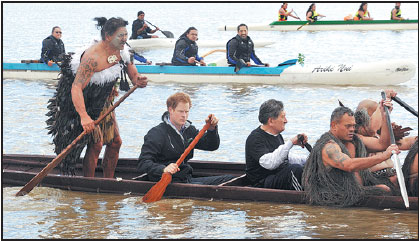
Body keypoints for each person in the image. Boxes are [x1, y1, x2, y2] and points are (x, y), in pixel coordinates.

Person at [46, 17, 148, 178]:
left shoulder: (123, 50)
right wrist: (84, 116)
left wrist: (139, 80)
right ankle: (90, 184)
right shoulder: (92, 58)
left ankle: (108, 182)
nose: (125, 39)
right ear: (108, 36)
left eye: (125, 34)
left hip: (104, 101)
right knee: (96, 144)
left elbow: (133, 75)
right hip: (83, 103)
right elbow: (76, 87)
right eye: (120, 35)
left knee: (116, 142)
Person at [302, 106, 399, 207]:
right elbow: (349, 165)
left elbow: (382, 144)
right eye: (348, 126)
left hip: (357, 190)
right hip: (336, 194)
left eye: (353, 126)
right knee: (384, 189)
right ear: (334, 125)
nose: (352, 129)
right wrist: (383, 156)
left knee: (392, 181)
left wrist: (385, 117)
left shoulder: (356, 140)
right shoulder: (329, 147)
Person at [137, 92, 234, 185]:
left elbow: (211, 146)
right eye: (180, 111)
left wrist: (212, 129)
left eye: (187, 111)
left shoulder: (189, 130)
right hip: (170, 182)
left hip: (186, 178)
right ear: (170, 110)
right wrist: (163, 169)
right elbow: (143, 163)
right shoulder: (156, 133)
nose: (184, 115)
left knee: (231, 179)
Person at [245, 99, 309, 190]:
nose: (286, 121)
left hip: (276, 176)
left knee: (305, 167)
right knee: (295, 170)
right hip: (262, 183)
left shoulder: (277, 136)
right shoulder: (255, 138)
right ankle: (304, 197)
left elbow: (286, 158)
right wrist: (290, 143)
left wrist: (309, 160)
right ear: (271, 121)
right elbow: (270, 163)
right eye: (282, 117)